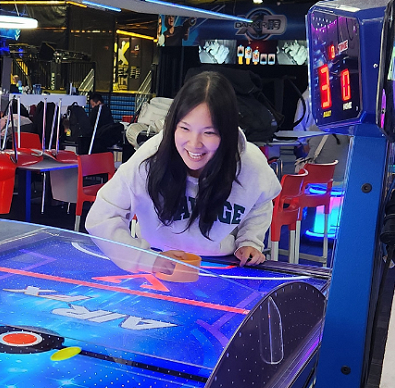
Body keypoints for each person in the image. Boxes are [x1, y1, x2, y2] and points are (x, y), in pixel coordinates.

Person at [85, 71, 282, 266]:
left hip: (221, 264)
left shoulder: (249, 162)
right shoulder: (150, 158)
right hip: (157, 258)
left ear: (227, 132)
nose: (194, 144)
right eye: (185, 128)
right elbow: (102, 217)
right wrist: (146, 260)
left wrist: (249, 240)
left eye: (209, 132)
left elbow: (261, 202)